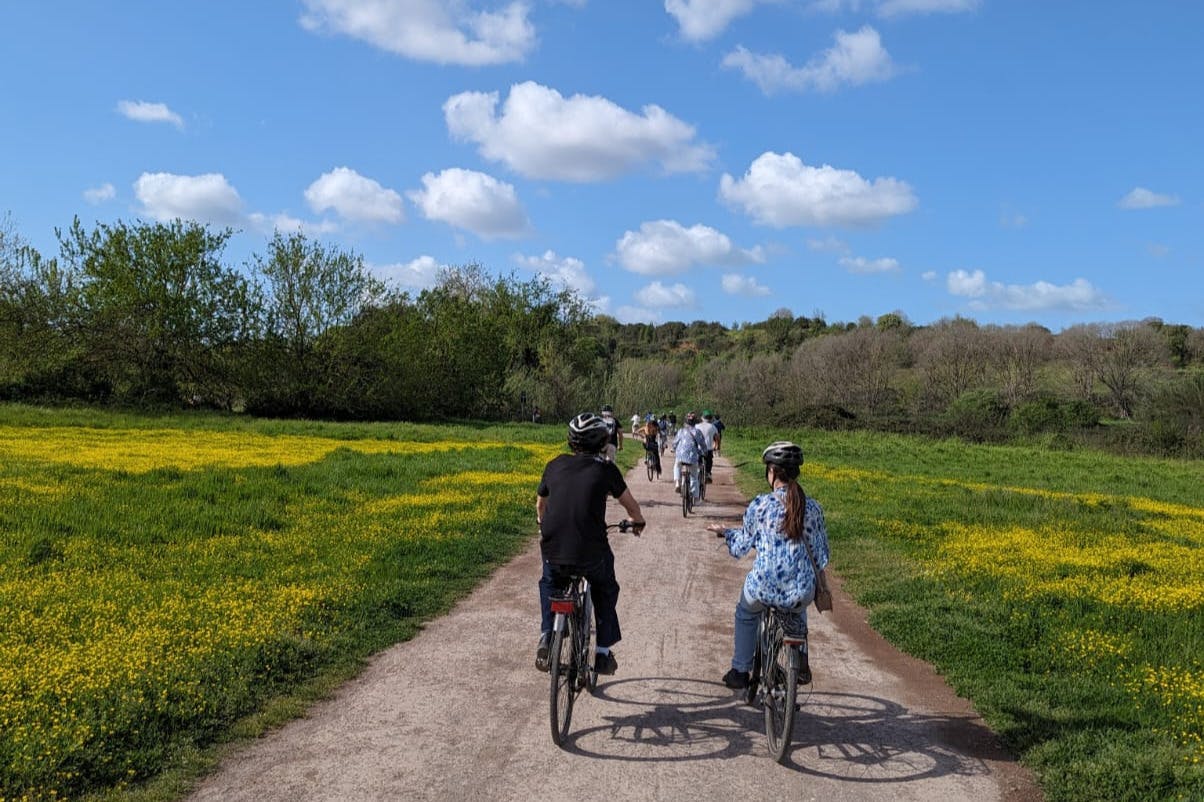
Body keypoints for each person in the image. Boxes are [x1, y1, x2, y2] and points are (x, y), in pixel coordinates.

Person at [706, 440, 829, 689]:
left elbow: (742, 544)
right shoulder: (813, 508)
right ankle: (800, 657)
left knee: (746, 613)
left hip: (763, 588)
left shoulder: (761, 505)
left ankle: (740, 669)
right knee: (797, 605)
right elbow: (820, 554)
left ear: (771, 472)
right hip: (800, 592)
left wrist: (725, 533)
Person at [536, 413, 647, 676]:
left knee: (550, 582)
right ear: (602, 441)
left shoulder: (553, 465)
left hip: (553, 547)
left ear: (570, 441)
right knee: (605, 588)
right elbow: (631, 506)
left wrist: (543, 525)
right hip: (590, 552)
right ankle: (603, 653)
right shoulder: (606, 468)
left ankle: (546, 636)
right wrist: (637, 522)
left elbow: (541, 505)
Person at [672, 412, 707, 501]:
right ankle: (695, 496)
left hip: (680, 455)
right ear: (695, 422)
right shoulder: (697, 432)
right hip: (692, 457)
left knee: (677, 465)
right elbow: (702, 444)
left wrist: (674, 449)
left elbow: (675, 442)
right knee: (694, 476)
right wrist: (705, 452)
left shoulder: (681, 431)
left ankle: (677, 482)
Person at [696, 410, 719, 483]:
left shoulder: (697, 426)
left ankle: (697, 471)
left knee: (697, 461)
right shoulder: (713, 427)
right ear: (711, 418)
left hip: (698, 449)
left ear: (702, 418)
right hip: (708, 449)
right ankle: (708, 473)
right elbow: (717, 438)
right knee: (709, 461)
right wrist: (716, 446)